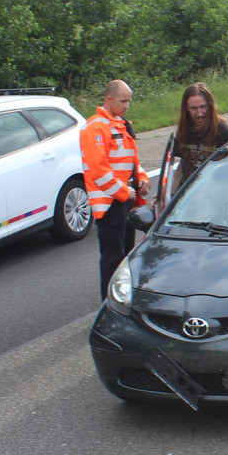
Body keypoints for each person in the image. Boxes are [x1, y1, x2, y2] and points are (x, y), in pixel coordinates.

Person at [81, 80, 150, 301]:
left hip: (124, 201)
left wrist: (141, 178)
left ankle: (123, 298)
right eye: (123, 101)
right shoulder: (96, 127)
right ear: (109, 99)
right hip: (110, 205)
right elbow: (98, 171)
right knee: (112, 258)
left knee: (125, 256)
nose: (127, 105)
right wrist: (123, 193)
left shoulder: (120, 124)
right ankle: (109, 305)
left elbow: (130, 160)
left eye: (129, 101)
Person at [173, 82, 228, 187]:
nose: (199, 113)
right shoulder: (183, 131)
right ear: (186, 108)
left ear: (210, 106)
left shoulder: (224, 133)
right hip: (189, 195)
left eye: (203, 107)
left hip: (216, 193)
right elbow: (182, 165)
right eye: (193, 108)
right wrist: (169, 195)